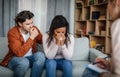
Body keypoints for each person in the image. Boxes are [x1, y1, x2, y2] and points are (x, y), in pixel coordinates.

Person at [0, 10, 45, 77]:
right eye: (27, 24)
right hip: (15, 59)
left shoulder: (33, 28)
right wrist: (32, 37)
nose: (31, 26)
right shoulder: (12, 33)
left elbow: (42, 41)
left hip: (30, 58)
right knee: (24, 62)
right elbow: (19, 53)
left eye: (32, 23)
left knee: (40, 55)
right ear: (20, 24)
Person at [82, 0, 120, 77]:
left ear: (117, 2)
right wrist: (108, 65)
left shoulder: (118, 24)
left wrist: (102, 75)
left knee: (88, 72)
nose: (108, 8)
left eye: (108, 3)